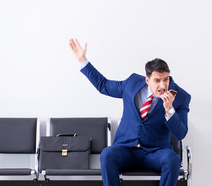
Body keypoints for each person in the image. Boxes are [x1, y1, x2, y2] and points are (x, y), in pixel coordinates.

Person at [69, 38, 191, 186]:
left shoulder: (181, 97)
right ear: (147, 80)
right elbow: (104, 86)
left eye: (166, 79)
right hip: (126, 150)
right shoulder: (132, 83)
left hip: (156, 152)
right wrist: (82, 60)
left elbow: (181, 134)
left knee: (172, 160)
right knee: (107, 154)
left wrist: (169, 110)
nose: (163, 85)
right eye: (157, 80)